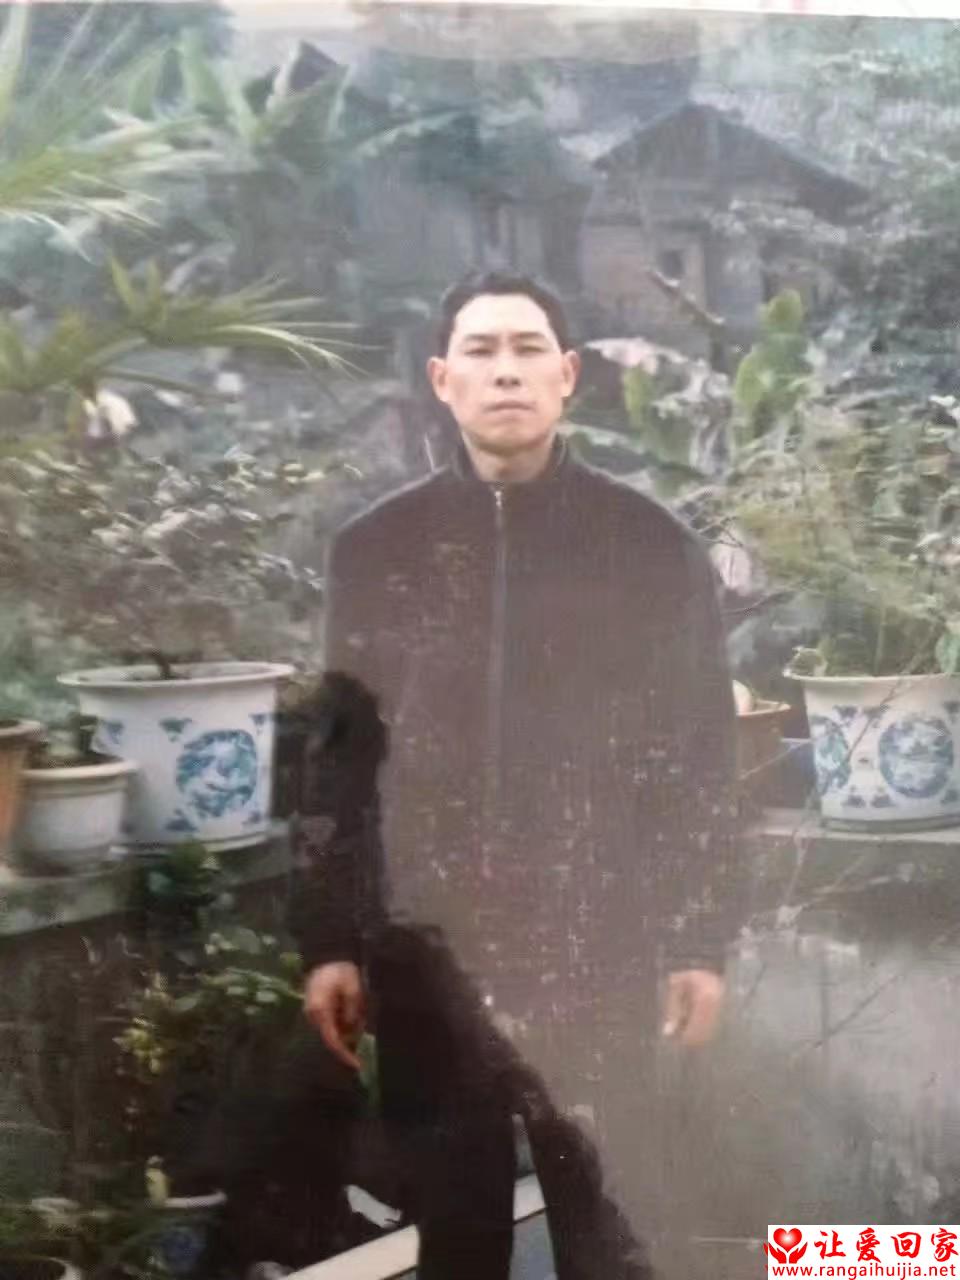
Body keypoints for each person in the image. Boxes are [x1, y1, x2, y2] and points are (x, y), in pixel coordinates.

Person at [290, 271, 741, 1279]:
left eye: (529, 349)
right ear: (442, 379)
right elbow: (340, 761)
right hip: (429, 954)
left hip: (599, 942)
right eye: (482, 351)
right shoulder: (376, 550)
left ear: (568, 374)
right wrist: (330, 940)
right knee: (457, 1238)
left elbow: (700, 753)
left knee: (607, 1234)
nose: (506, 372)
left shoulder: (649, 547)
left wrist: (700, 937)